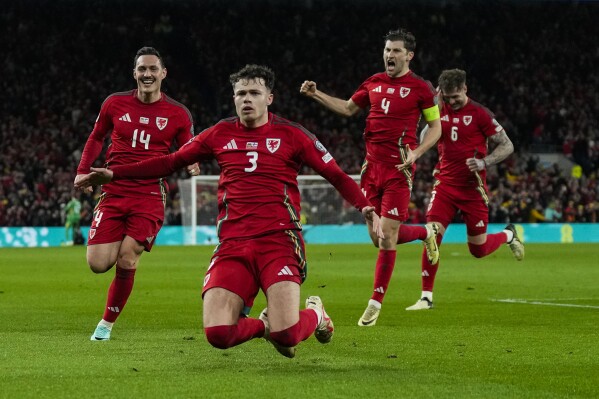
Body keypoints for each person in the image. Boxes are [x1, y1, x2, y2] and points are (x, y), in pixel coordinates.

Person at [75, 64, 383, 357]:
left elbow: (337, 176)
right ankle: (265, 325)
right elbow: (169, 162)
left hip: (278, 241)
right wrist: (116, 174)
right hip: (233, 244)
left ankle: (315, 314)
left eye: (254, 93)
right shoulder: (219, 134)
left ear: (269, 98)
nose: (247, 99)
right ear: (233, 97)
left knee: (287, 335)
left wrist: (366, 207)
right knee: (218, 334)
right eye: (240, 93)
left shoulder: (293, 135)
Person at [300, 28, 442, 326]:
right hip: (371, 168)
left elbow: (436, 127)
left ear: (409, 55)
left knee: (387, 236)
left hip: (398, 171)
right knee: (378, 240)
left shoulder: (421, 88)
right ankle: (426, 232)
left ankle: (375, 303)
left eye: (396, 51)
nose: (390, 55)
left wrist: (417, 153)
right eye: (387, 50)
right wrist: (316, 94)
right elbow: (349, 108)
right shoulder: (374, 82)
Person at [74, 47, 200, 341]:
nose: (147, 74)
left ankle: (105, 326)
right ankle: (118, 263)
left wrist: (192, 158)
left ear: (163, 73)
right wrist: (83, 171)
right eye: (142, 69)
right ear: (134, 73)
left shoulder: (178, 113)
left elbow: (188, 146)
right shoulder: (114, 103)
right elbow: (96, 136)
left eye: (153, 69)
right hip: (114, 190)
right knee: (97, 263)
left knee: (128, 258)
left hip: (150, 193)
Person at [405, 68, 524, 311]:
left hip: (473, 190)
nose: (451, 101)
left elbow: (507, 145)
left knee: (478, 250)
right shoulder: (439, 110)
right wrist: (436, 104)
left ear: (465, 89)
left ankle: (508, 235)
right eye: (447, 97)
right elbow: (424, 136)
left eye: (455, 96)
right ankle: (426, 296)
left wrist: (484, 162)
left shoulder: (481, 114)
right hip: (446, 187)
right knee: (432, 236)